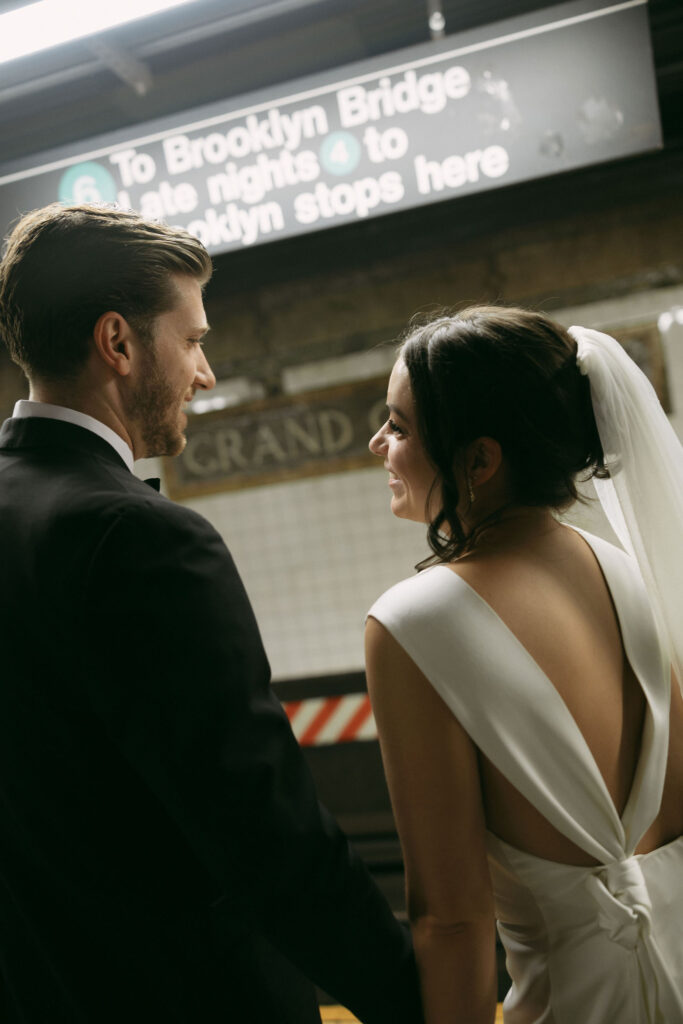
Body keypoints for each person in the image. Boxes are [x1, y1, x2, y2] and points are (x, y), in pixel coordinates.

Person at [0, 203, 423, 1024]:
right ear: (118, 343)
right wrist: (415, 1000)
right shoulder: (139, 538)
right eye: (192, 340)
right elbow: (267, 831)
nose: (206, 373)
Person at [365, 305, 683, 1023]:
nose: (377, 441)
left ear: (479, 460)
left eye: (401, 425)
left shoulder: (414, 623)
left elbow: (450, 921)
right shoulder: (635, 572)